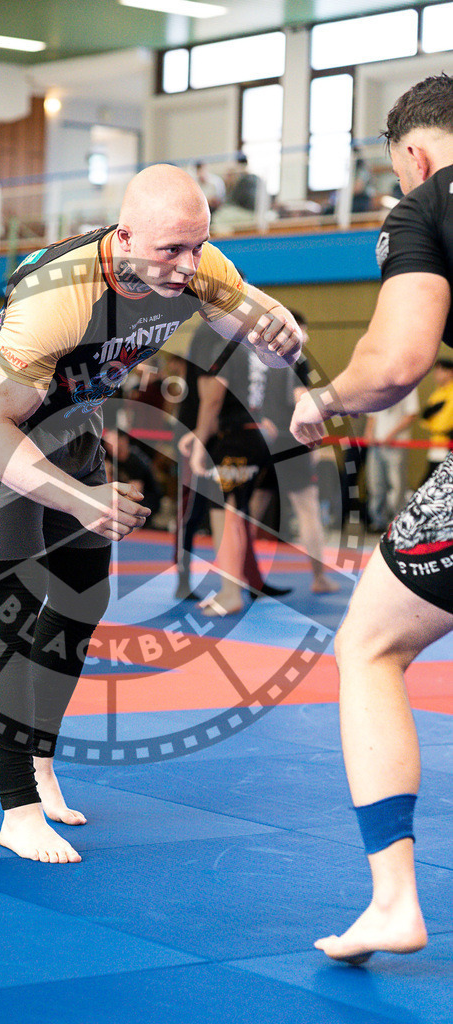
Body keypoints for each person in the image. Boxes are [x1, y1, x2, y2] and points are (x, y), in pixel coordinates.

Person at [0, 163, 303, 864]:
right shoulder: (60, 296)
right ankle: (15, 807)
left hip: (70, 423)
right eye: (171, 251)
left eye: (197, 246)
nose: (187, 266)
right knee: (16, 608)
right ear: (125, 237)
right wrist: (77, 498)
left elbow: (254, 315)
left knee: (82, 596)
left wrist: (275, 334)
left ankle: (40, 757)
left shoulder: (193, 261)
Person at [290, 73, 453, 964]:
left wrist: (323, 401)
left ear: (415, 154)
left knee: (370, 642)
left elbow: (395, 359)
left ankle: (393, 900)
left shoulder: (422, 204)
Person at [179, 323, 293, 615]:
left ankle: (230, 593)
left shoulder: (225, 347)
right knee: (237, 514)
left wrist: (201, 440)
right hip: (257, 437)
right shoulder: (259, 349)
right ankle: (234, 588)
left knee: (224, 516)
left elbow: (214, 398)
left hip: (234, 442)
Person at [252, 311, 339, 594]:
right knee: (307, 508)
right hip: (288, 438)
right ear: (293, 329)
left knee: (253, 504)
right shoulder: (294, 357)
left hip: (258, 437)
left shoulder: (254, 354)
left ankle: (236, 574)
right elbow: (300, 399)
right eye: (304, 331)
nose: (307, 338)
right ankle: (319, 578)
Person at [364, 392, 419, 532]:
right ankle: (378, 521)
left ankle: (396, 523)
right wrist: (369, 432)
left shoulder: (409, 385)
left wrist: (391, 434)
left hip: (397, 444)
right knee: (375, 483)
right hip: (376, 444)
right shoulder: (380, 383)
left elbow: (411, 414)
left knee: (397, 484)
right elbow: (372, 414)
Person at [418, 356, 453, 481]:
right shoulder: (437, 393)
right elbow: (425, 420)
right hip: (436, 441)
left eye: (441, 370)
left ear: (450, 372)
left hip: (448, 443)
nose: (436, 374)